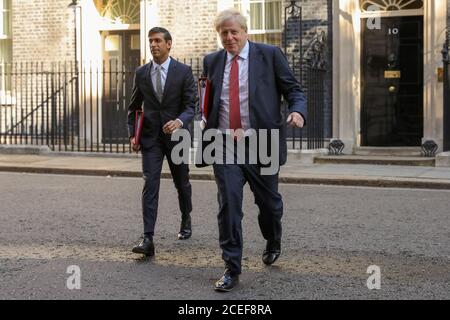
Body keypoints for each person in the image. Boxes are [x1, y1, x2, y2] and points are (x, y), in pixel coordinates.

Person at [199, 9, 307, 291]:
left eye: (234, 31)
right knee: (229, 205)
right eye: (224, 32)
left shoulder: (269, 55)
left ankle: (273, 239)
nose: (229, 37)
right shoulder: (211, 61)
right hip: (224, 144)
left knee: (269, 205)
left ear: (245, 32)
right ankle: (231, 268)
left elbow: (294, 90)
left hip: (262, 144)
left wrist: (297, 112)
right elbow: (207, 99)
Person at [128, 27, 196, 257]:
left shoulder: (183, 71)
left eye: (158, 41)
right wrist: (133, 134)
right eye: (150, 41)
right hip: (150, 138)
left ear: (169, 44)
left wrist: (179, 121)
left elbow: (191, 106)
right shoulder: (142, 73)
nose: (153, 45)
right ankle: (148, 238)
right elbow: (134, 108)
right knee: (150, 183)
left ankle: (186, 217)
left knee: (181, 182)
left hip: (177, 137)